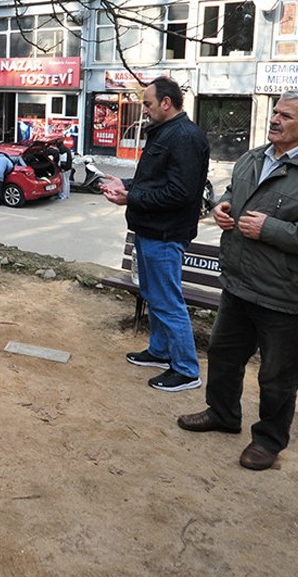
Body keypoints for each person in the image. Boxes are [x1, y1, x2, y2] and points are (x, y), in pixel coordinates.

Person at [177, 89, 298, 471]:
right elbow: (235, 194)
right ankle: (223, 413)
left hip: (288, 296)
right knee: (224, 355)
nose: (275, 120)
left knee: (277, 376)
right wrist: (223, 207)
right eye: (275, 112)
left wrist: (273, 230)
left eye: (286, 116)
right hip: (240, 284)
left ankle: (268, 440)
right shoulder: (252, 159)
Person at [101, 75, 210, 392]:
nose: (143, 109)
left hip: (166, 235)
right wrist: (127, 186)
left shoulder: (185, 138)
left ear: (166, 102)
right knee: (154, 295)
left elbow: (180, 192)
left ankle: (187, 369)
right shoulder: (166, 132)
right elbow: (156, 182)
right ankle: (161, 352)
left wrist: (130, 197)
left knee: (167, 300)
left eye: (147, 103)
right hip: (150, 230)